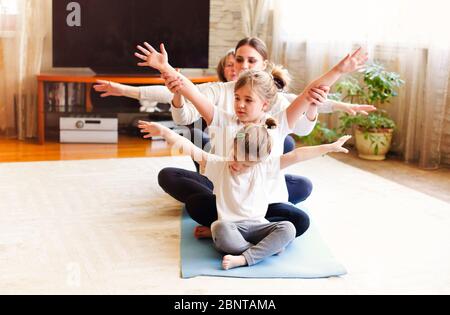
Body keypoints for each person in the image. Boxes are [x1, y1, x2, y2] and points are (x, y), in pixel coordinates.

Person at [134, 43, 364, 239]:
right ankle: (253, 231)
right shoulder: (222, 119)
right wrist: (164, 67)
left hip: (264, 205)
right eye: (237, 98)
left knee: (300, 220)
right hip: (229, 202)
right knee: (196, 204)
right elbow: (191, 91)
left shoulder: (277, 123)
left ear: (265, 104)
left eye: (248, 100)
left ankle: (233, 230)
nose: (240, 104)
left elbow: (308, 93)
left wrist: (339, 70)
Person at [137, 117, 351, 270]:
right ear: (232, 146)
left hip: (260, 226)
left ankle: (244, 257)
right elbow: (190, 148)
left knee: (288, 228)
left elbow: (297, 155)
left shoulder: (264, 167)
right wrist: (164, 131)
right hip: (230, 227)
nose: (238, 166)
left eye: (247, 164)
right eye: (236, 158)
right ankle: (263, 251)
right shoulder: (220, 165)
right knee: (218, 226)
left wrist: (328, 147)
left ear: (260, 161)